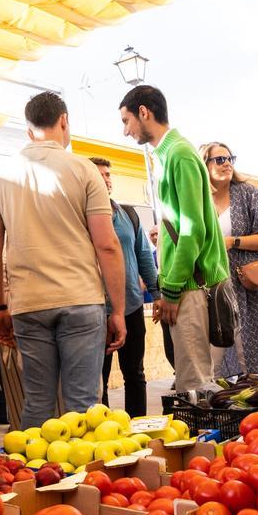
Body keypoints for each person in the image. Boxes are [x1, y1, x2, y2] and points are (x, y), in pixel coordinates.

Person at [0, 92, 125, 427]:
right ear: (64, 121)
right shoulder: (84, 170)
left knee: (37, 401)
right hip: (81, 298)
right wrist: (117, 310)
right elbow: (107, 245)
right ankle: (87, 479)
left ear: (28, 130)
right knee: (83, 403)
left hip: (29, 302)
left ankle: (36, 477)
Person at [119, 85, 228, 392]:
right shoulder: (169, 155)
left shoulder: (178, 154)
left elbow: (193, 231)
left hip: (192, 286)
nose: (126, 131)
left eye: (126, 121)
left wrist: (170, 289)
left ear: (144, 112)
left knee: (195, 388)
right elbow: (182, 228)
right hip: (187, 285)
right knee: (192, 384)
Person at [203, 142, 258, 376]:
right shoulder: (199, 200)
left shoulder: (248, 193)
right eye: (219, 159)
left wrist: (232, 242)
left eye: (230, 158)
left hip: (251, 287)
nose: (226, 163)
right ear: (205, 165)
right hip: (217, 287)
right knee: (218, 360)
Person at [89, 157, 159, 416]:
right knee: (99, 381)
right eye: (99, 175)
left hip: (131, 306)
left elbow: (144, 256)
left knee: (135, 374)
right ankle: (106, 433)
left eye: (108, 174)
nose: (106, 180)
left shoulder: (127, 213)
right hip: (97, 311)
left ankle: (138, 428)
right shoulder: (79, 217)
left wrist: (158, 293)